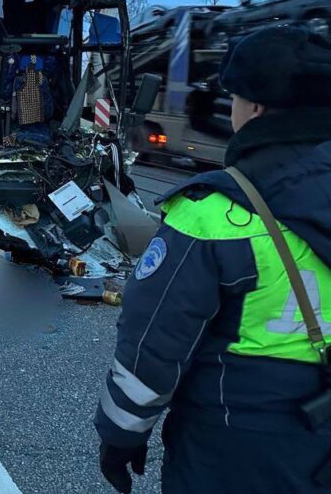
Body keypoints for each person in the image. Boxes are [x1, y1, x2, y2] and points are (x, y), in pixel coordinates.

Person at [94, 25, 331, 493]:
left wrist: (121, 434)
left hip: (236, 445)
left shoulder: (217, 214)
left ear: (255, 108)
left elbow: (154, 344)